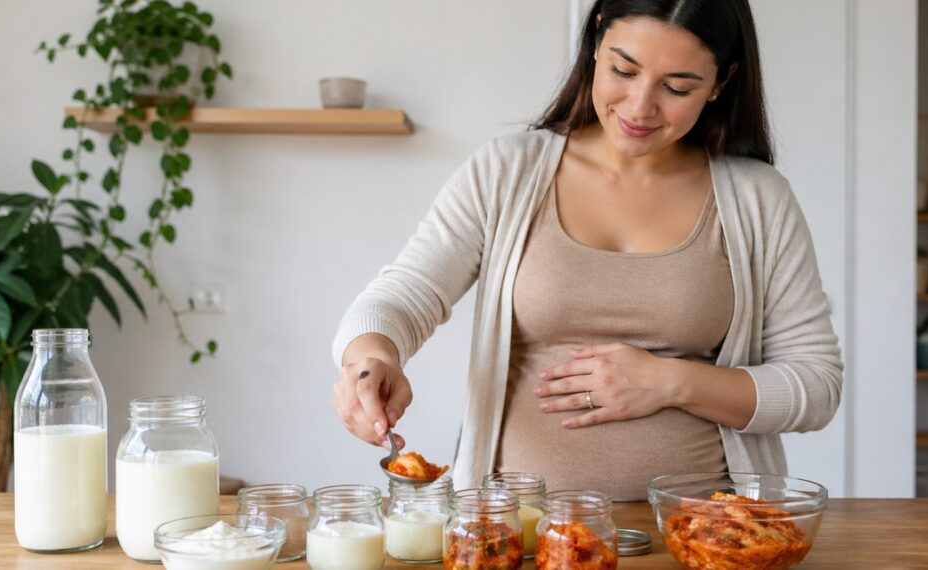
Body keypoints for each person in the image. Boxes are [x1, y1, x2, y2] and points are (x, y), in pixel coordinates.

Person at [332, 0, 843, 499]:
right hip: (517, 532)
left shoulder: (759, 198)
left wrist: (671, 381)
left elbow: (816, 385)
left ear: (722, 82)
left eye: (677, 86)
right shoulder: (506, 172)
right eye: (624, 70)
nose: (640, 107)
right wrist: (370, 360)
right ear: (597, 37)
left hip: (706, 536)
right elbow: (404, 293)